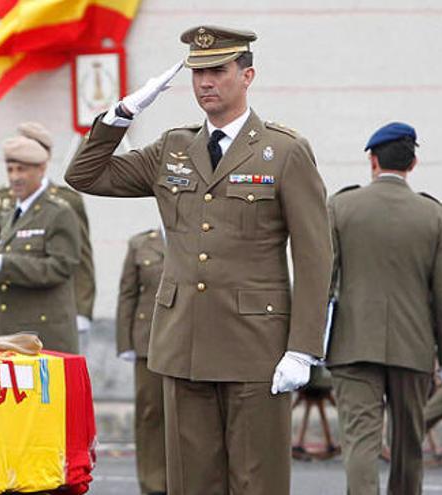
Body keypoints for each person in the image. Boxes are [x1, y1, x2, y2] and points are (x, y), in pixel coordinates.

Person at [65, 25, 332, 494]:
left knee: (257, 481)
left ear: (247, 75)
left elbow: (314, 254)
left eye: (217, 70)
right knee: (191, 484)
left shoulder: (283, 151)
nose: (205, 82)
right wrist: (124, 113)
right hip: (184, 342)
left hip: (256, 346)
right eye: (197, 72)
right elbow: (85, 174)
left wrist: (303, 346)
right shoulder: (173, 148)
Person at [327, 122, 442, 494]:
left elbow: (323, 281)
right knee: (408, 447)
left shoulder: (341, 206)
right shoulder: (435, 215)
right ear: (413, 164)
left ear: (372, 160)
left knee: (360, 443)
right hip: (413, 348)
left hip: (352, 345)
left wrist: (312, 345)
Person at [0, 122, 96, 347]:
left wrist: (83, 309)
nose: (15, 176)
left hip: (46, 321)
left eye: (23, 167)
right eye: (11, 168)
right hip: (8, 322)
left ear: (42, 163)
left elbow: (77, 261)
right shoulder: (4, 204)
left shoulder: (64, 205)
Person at [116, 228, 166, 495]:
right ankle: (154, 483)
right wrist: (125, 342)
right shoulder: (140, 243)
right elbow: (128, 294)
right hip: (149, 343)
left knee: (194, 417)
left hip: (191, 341)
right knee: (151, 415)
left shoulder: (198, 234)